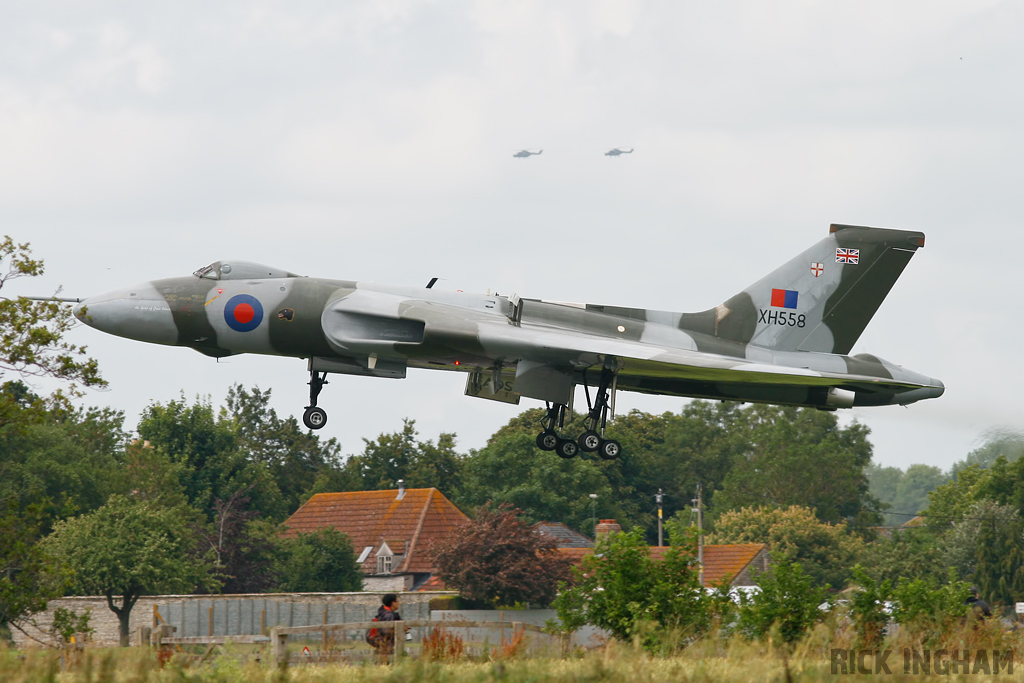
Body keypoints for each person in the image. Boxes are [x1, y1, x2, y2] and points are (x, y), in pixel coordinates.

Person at [367, 593, 402, 661]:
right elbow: (386, 632)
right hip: (385, 644)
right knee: (389, 660)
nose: (399, 603)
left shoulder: (382, 612)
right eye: (397, 601)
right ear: (393, 603)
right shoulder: (389, 615)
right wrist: (401, 629)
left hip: (380, 642)